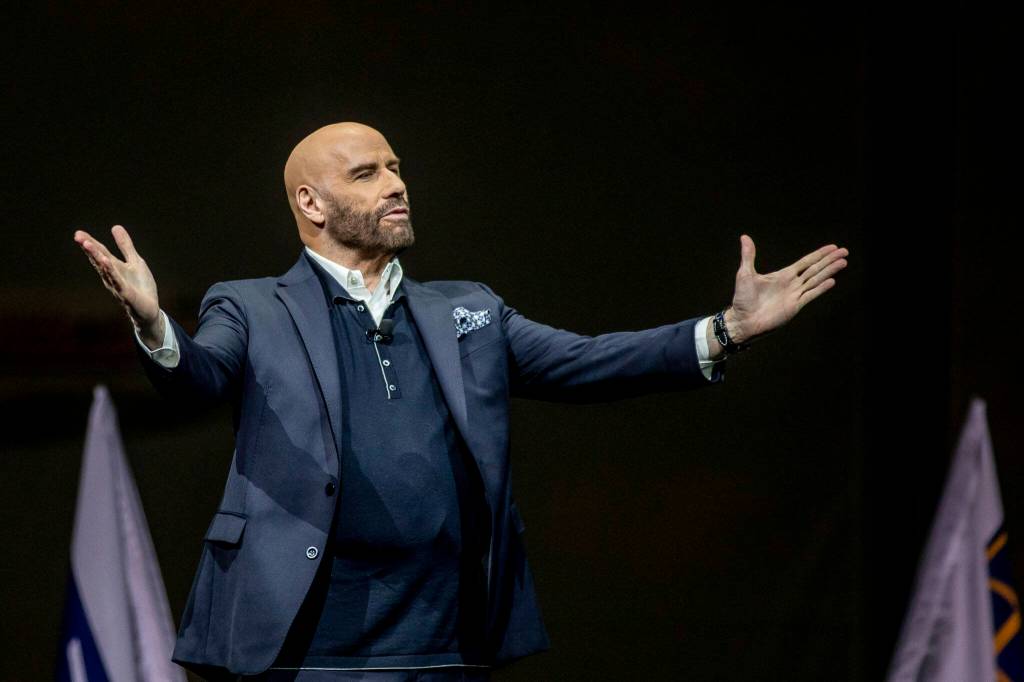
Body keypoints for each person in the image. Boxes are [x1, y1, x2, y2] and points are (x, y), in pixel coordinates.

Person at [73, 122, 849, 681]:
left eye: (397, 167)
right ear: (310, 204)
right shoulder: (251, 307)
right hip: (306, 643)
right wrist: (153, 325)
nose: (397, 183)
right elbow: (198, 379)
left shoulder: (466, 309)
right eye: (368, 173)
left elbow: (588, 361)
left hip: (445, 636)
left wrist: (730, 329)